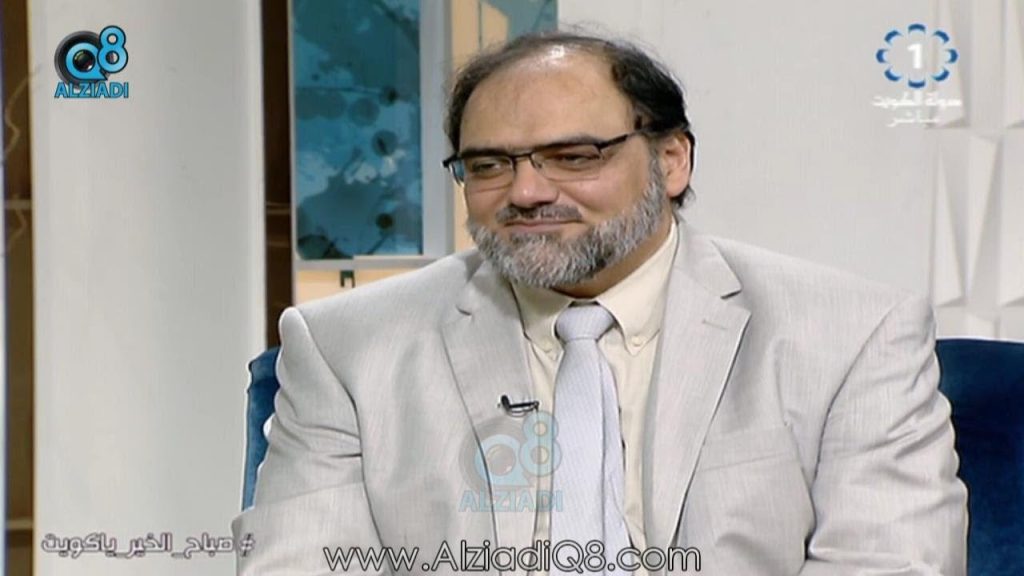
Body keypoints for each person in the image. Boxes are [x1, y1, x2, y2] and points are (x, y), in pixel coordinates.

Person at [233, 31, 967, 575]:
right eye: (488, 165)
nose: (526, 192)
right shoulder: (347, 347)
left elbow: (892, 563)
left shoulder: (849, 335)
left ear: (671, 160)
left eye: (574, 157)